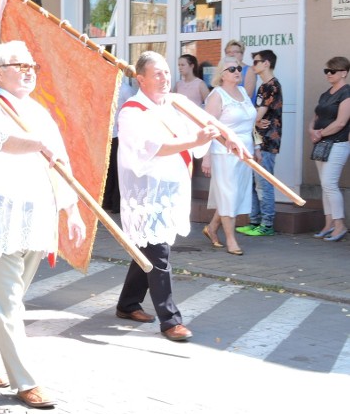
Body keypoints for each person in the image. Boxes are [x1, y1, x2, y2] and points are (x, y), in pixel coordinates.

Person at [0, 41, 85, 409]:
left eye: (33, 65)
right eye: (20, 65)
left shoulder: (38, 111)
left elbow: (59, 162)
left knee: (0, 297)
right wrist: (33, 144)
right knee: (9, 302)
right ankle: (25, 381)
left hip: (35, 217)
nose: (30, 70)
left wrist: (72, 210)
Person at [116, 51, 245, 341]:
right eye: (157, 73)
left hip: (171, 189)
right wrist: (196, 140)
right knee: (158, 253)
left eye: (167, 72)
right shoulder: (132, 111)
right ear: (141, 79)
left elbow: (208, 120)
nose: (165, 78)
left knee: (148, 247)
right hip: (146, 194)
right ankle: (170, 320)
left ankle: (127, 304)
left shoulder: (175, 102)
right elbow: (154, 147)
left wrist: (231, 138)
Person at [201, 57, 256, 255]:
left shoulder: (242, 91)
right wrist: (206, 157)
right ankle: (232, 240)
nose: (236, 71)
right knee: (229, 195)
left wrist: (256, 146)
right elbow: (208, 127)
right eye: (231, 69)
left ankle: (212, 228)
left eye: (238, 68)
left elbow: (252, 122)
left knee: (234, 195)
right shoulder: (217, 95)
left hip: (244, 152)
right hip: (223, 152)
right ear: (221, 74)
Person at [237, 50, 282, 237]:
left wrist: (253, 119)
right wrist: (254, 120)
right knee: (254, 184)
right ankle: (255, 221)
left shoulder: (272, 86)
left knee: (264, 183)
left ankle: (267, 224)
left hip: (267, 142)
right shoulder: (263, 86)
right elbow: (255, 116)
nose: (253, 65)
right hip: (257, 140)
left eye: (256, 62)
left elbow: (257, 115)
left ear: (266, 63)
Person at [308, 56, 350, 242]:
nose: (328, 75)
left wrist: (321, 133)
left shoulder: (346, 93)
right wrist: (312, 129)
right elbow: (316, 115)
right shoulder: (326, 94)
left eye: (332, 71)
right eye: (326, 71)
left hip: (338, 143)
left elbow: (341, 122)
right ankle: (329, 223)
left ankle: (340, 224)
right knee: (325, 186)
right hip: (322, 144)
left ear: (344, 73)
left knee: (329, 183)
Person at [101, 79, 135, 213]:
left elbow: (133, 107)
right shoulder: (106, 87)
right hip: (108, 134)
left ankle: (116, 204)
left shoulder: (125, 89)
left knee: (118, 170)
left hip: (120, 135)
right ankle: (107, 201)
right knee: (109, 170)